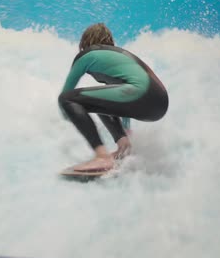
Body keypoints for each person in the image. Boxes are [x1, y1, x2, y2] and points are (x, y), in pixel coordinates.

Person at [59, 23, 169, 172]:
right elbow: (122, 104)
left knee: (67, 98)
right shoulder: (120, 56)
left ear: (85, 43)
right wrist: (126, 132)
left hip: (141, 93)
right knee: (100, 101)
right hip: (159, 103)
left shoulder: (86, 55)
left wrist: (70, 116)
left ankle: (102, 157)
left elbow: (66, 95)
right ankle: (125, 147)